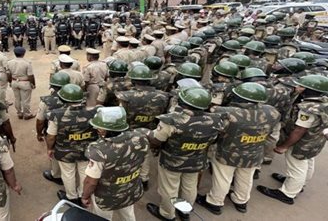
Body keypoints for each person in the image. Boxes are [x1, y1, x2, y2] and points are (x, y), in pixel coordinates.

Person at [196, 83, 280, 215]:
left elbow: (213, 118)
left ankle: (214, 202)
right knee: (246, 177)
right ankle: (241, 201)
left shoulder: (227, 112)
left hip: (229, 152)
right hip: (255, 151)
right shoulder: (272, 111)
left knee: (223, 178)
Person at [146, 87, 223, 221]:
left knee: (169, 188)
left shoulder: (171, 120)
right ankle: (185, 211)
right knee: (189, 186)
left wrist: (148, 134)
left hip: (172, 161)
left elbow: (156, 140)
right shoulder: (216, 120)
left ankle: (167, 214)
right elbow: (215, 139)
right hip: (197, 160)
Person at [257, 75, 328, 205]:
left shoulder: (308, 109)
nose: (297, 87)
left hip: (302, 143)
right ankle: (298, 184)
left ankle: (287, 193)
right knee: (307, 162)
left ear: (309, 90)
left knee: (297, 166)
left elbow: (299, 130)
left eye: (301, 86)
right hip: (316, 140)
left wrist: (284, 146)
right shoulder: (323, 101)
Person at [82, 106, 149, 221]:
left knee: (102, 218)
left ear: (105, 129)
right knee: (128, 215)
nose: (97, 129)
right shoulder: (140, 137)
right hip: (130, 189)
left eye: (99, 127)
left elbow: (91, 181)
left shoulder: (99, 150)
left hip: (107, 196)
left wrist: (85, 196)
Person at [46, 84, 97, 205]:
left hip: (65, 152)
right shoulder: (94, 112)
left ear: (62, 99)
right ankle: (82, 195)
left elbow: (51, 136)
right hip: (86, 151)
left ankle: (71, 198)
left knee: (68, 174)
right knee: (84, 171)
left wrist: (49, 148)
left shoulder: (56, 114)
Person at [6, 47, 35, 120]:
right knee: (25, 100)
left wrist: (10, 82)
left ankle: (19, 113)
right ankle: (27, 114)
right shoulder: (27, 63)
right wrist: (33, 83)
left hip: (14, 81)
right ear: (23, 54)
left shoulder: (9, 62)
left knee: (17, 99)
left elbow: (8, 74)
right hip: (24, 82)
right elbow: (30, 75)